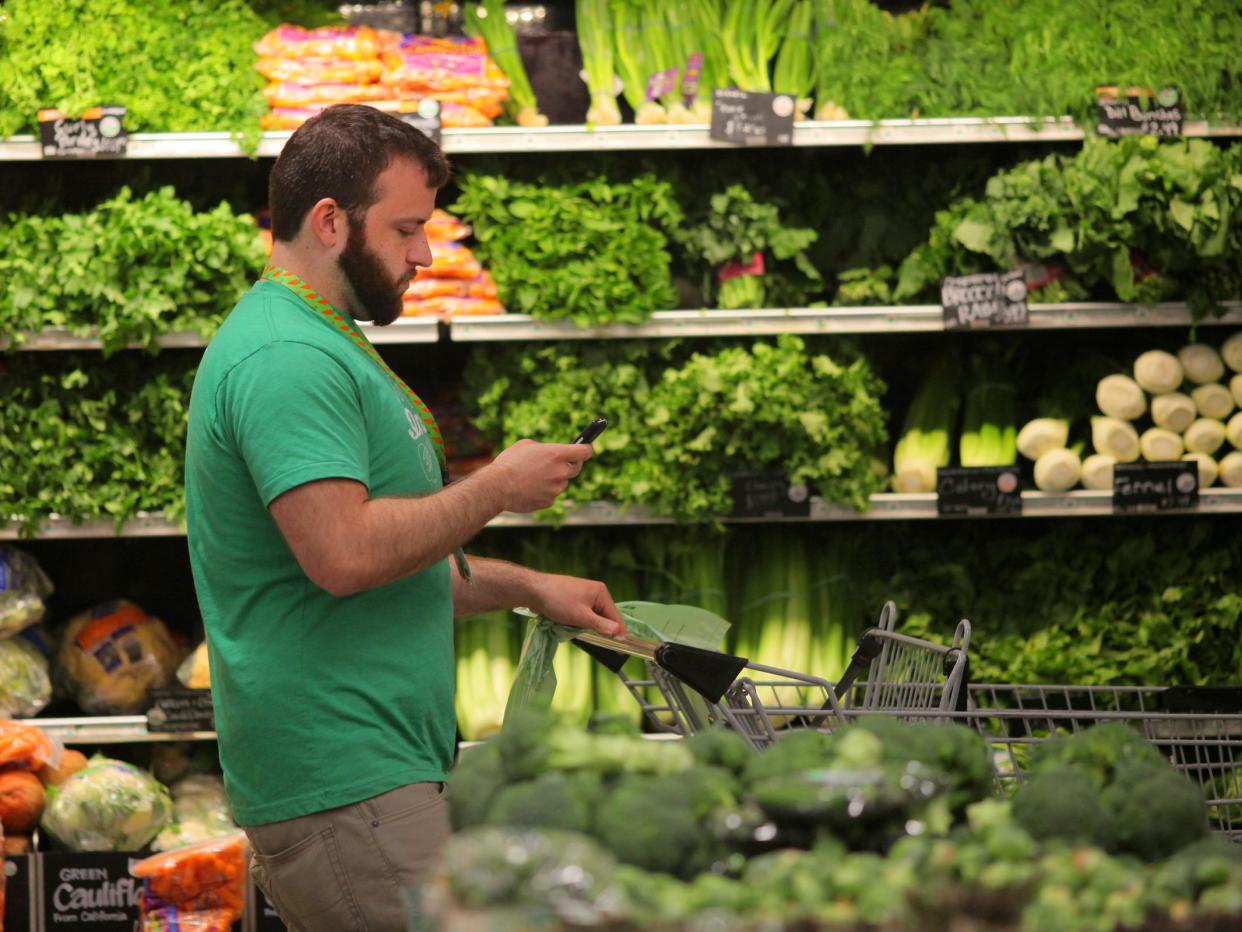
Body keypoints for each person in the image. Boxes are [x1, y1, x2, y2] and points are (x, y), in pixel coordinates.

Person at [184, 103, 627, 932]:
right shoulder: (287, 357)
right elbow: (345, 556)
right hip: (346, 785)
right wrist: (495, 486)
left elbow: (382, 566)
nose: (424, 254)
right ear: (328, 222)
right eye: (407, 229)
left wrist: (528, 588)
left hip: (367, 779)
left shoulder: (321, 336)